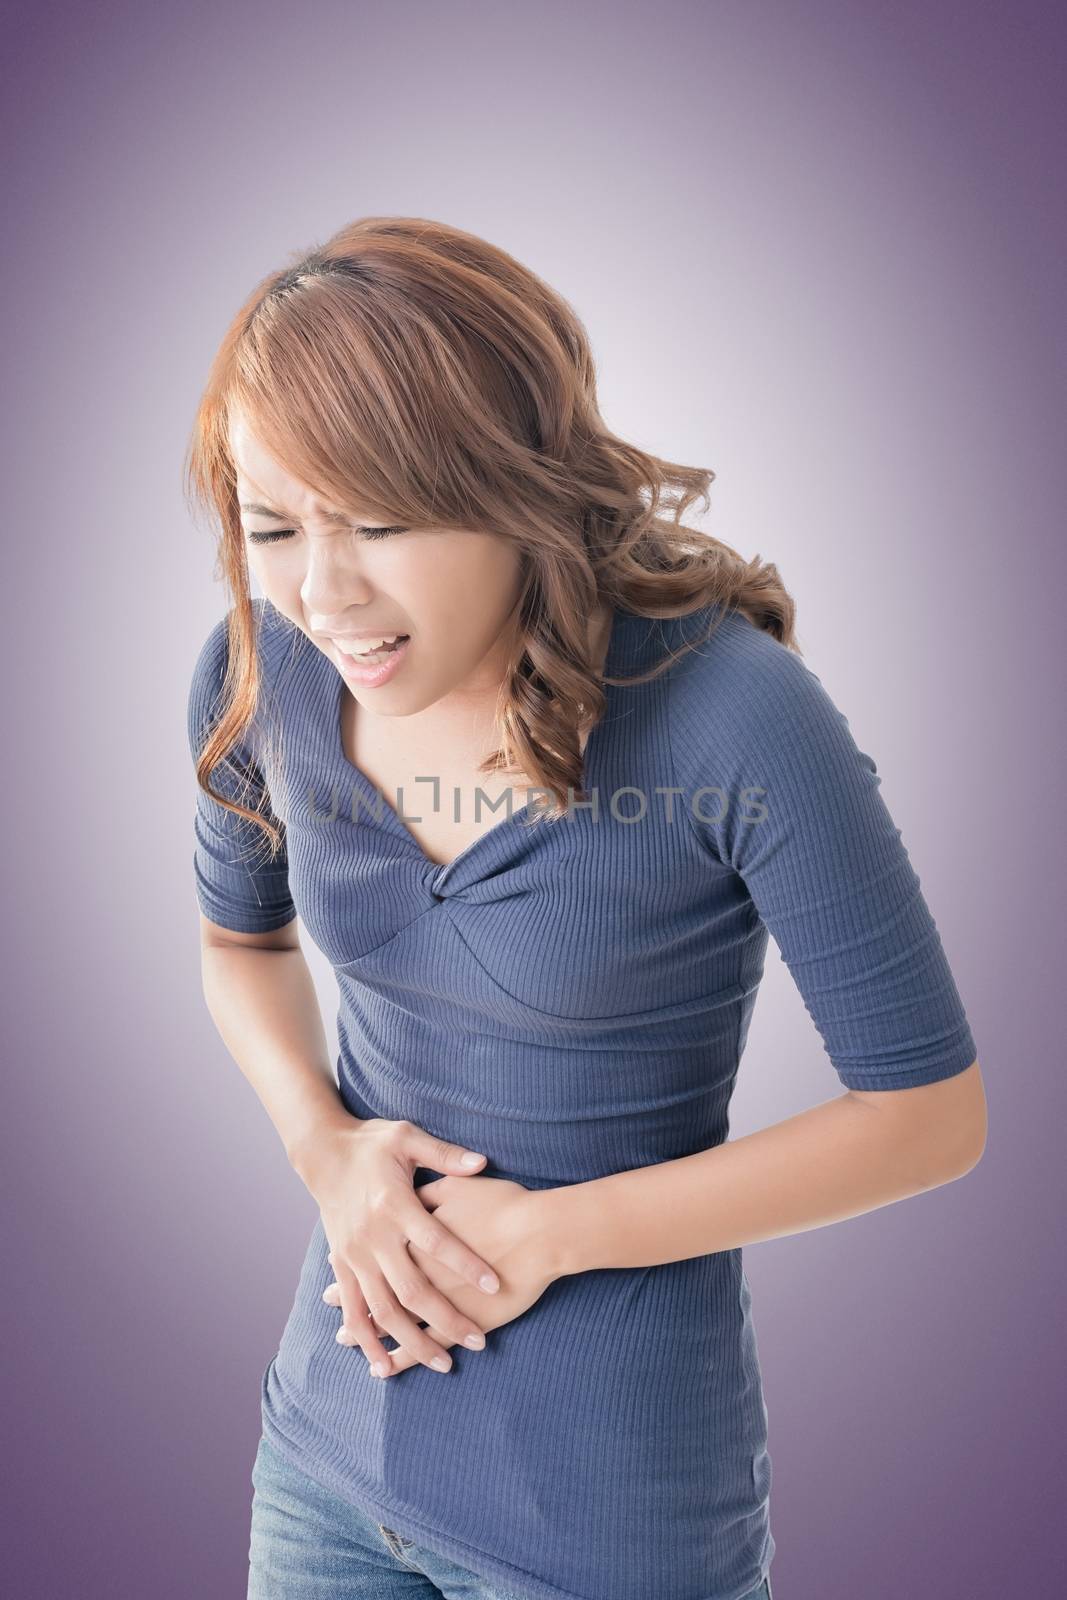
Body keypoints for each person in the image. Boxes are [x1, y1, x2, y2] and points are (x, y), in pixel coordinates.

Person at [185, 217, 986, 1600]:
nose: (324, 590)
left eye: (381, 522)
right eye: (274, 525)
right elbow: (235, 943)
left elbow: (928, 1117)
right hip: (323, 1464)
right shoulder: (266, 672)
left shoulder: (732, 714)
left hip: (608, 1519)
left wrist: (556, 1233)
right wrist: (326, 1151)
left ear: (515, 489)